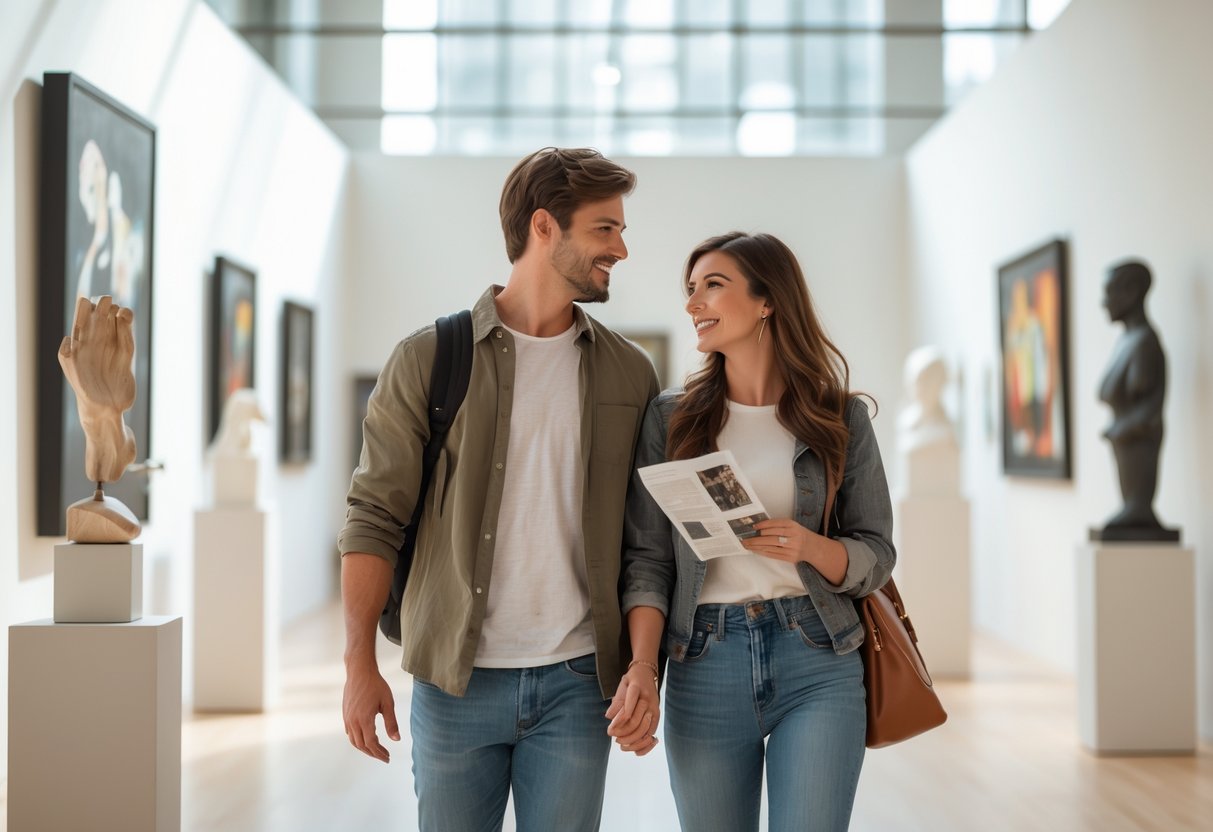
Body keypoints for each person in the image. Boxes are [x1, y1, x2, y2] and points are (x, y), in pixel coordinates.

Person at [337, 147, 660, 831]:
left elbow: (643, 544)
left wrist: (641, 666)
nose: (622, 249)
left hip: (578, 686)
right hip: (456, 682)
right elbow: (373, 518)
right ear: (545, 227)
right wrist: (358, 663)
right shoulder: (429, 358)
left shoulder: (629, 376)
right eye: (606, 229)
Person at [622, 232, 895, 832]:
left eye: (712, 286)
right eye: (689, 291)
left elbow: (877, 552)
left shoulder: (839, 416)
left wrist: (811, 546)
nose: (694, 303)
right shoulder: (671, 418)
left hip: (817, 653)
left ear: (767, 300)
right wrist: (642, 667)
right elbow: (647, 561)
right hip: (703, 658)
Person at [1096, 259, 1168, 534]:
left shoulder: (1144, 345)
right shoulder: (1127, 342)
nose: (1104, 302)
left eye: (1110, 291)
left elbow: (1147, 414)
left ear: (1131, 291)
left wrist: (1120, 429)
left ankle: (1137, 506)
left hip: (1139, 466)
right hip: (1128, 461)